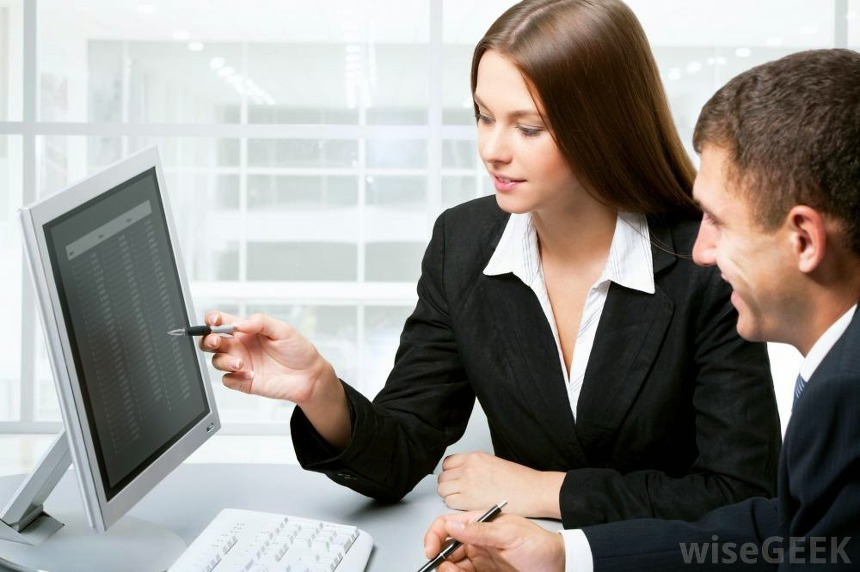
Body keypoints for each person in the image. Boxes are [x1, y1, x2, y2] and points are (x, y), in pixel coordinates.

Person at [201, 0, 781, 527]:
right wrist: (319, 389)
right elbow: (400, 453)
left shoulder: (705, 259)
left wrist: (547, 491)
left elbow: (742, 495)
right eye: (483, 116)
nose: (492, 150)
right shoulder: (463, 243)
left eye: (528, 127)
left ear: (604, 127)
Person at [423, 47, 860, 571]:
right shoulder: (839, 369)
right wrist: (562, 556)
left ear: (804, 240)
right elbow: (784, 531)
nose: (701, 251)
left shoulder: (846, 394)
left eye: (719, 222)